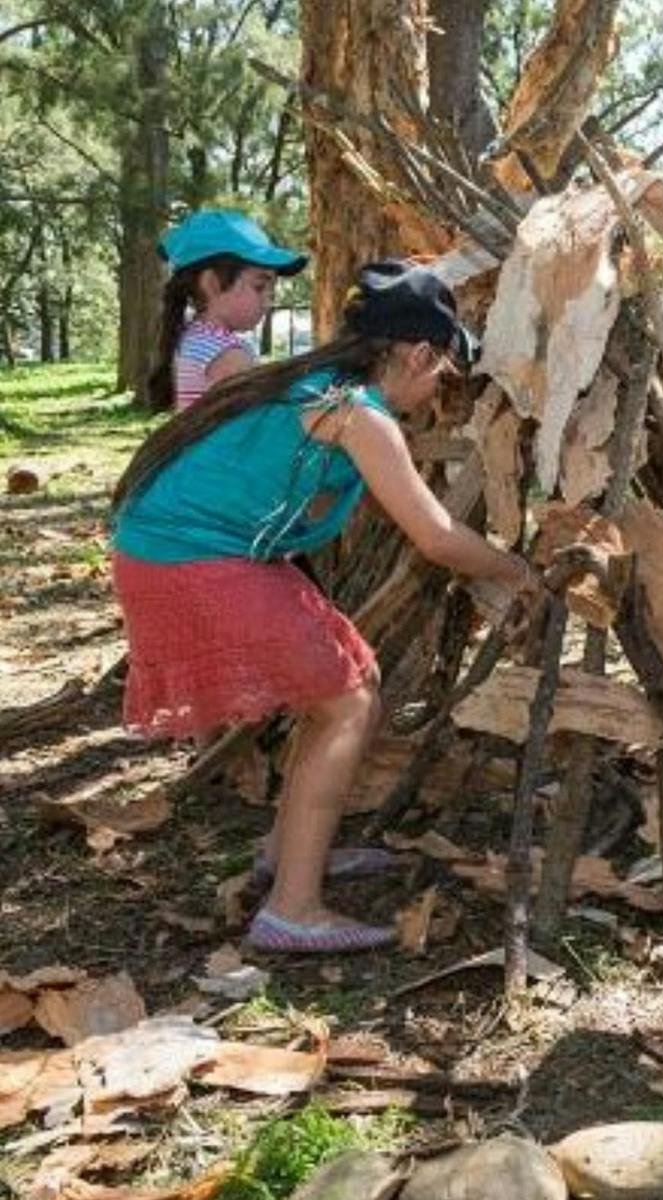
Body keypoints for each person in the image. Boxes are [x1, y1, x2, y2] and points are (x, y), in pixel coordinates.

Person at [111, 261, 541, 954]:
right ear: (418, 353)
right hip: (185, 553)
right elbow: (434, 536)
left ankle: (289, 856)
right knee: (344, 703)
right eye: (441, 376)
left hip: (195, 545)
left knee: (355, 681)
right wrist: (517, 570)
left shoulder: (320, 385)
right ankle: (292, 910)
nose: (438, 394)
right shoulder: (358, 414)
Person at [150, 209, 309, 413]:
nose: (269, 299)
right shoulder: (229, 355)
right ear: (212, 283)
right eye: (259, 287)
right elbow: (252, 429)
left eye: (272, 288)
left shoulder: (190, 337)